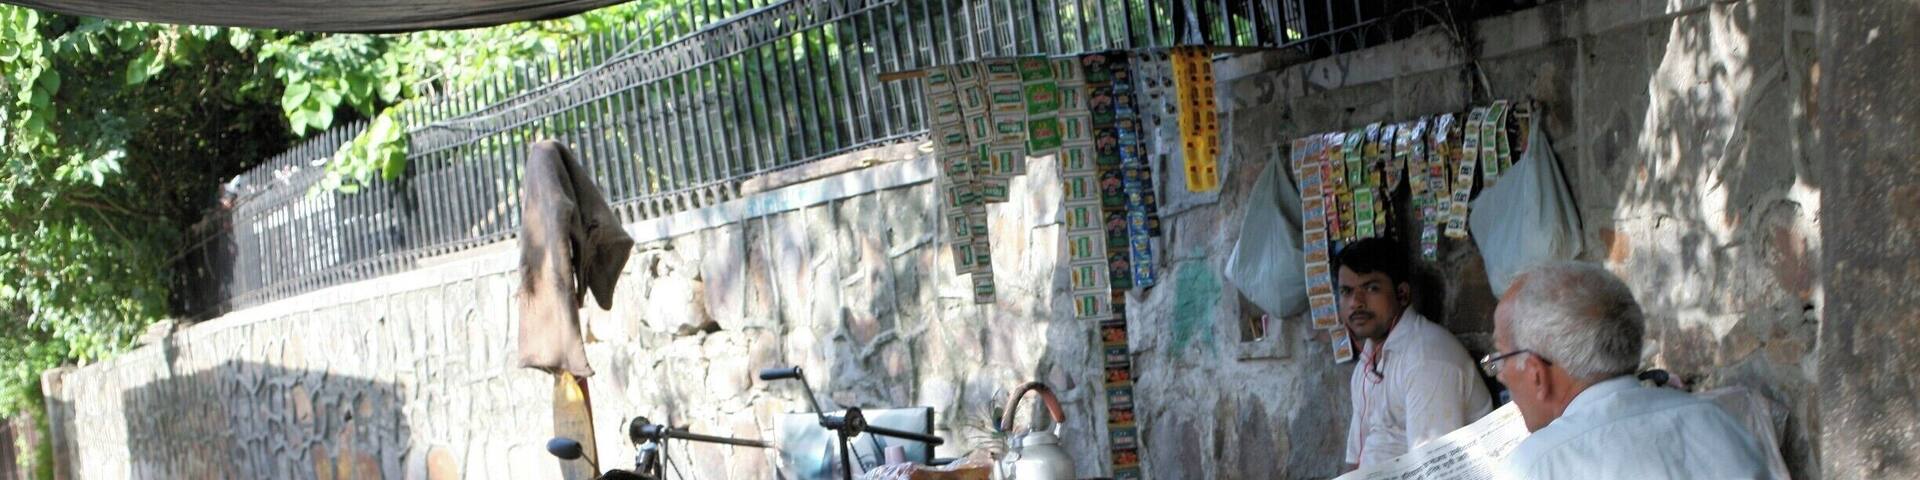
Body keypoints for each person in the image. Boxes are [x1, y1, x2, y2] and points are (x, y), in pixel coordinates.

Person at [1486, 261, 1771, 479]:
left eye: (1502, 357)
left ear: (1537, 373)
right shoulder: (1714, 420)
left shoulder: (1538, 466)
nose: (1500, 373)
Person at [1337, 238, 1492, 471]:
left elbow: (1435, 470)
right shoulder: (1366, 366)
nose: (1355, 302)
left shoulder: (1426, 357)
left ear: (1402, 294)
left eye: (1371, 288)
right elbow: (1355, 460)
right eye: (1346, 292)